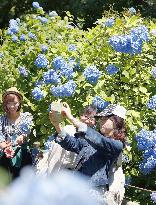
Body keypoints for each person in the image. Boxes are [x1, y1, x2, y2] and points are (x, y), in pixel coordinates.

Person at [49, 103, 127, 205]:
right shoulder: (95, 138)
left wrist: (70, 117)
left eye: (104, 118)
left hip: (94, 193)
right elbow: (73, 144)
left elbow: (99, 140)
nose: (100, 121)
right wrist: (57, 125)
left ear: (116, 121)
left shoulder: (116, 145)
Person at [36, 105, 97, 176]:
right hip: (54, 172)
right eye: (86, 116)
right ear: (81, 116)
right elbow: (55, 156)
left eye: (92, 119)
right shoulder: (68, 129)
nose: (87, 121)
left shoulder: (94, 139)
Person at [0, 87, 33, 179]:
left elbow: (26, 132)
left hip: (22, 154)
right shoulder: (1, 120)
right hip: (5, 154)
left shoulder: (26, 117)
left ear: (19, 103)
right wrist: (6, 148)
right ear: (5, 104)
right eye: (8, 103)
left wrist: (22, 137)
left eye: (15, 103)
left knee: (21, 181)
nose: (11, 106)